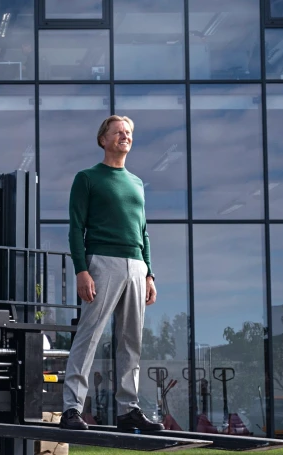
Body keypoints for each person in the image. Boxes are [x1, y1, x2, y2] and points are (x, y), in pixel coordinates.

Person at [59, 115, 162, 433]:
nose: (124, 135)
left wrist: (149, 274)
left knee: (132, 341)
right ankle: (72, 408)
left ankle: (128, 409)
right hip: (102, 262)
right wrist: (81, 270)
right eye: (118, 131)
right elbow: (76, 228)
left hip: (136, 266)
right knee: (89, 336)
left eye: (129, 132)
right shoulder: (88, 178)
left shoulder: (137, 183)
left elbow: (143, 232)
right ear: (102, 139)